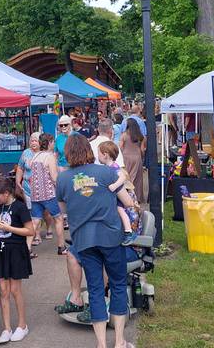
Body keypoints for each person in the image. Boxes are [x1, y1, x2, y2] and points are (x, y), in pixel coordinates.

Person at [56, 135, 134, 348]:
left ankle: (101, 344)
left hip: (83, 240)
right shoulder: (106, 173)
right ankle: (119, 341)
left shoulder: (63, 179)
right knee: (118, 285)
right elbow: (127, 201)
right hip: (110, 236)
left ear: (68, 154)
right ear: (89, 151)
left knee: (95, 289)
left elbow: (63, 210)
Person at [0, 177, 34, 344]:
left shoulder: (20, 207)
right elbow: (3, 231)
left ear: (6, 193)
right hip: (2, 251)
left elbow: (30, 231)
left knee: (15, 290)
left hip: (16, 252)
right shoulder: (2, 206)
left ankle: (22, 325)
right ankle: (7, 328)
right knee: (3, 291)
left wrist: (9, 228)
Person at [29, 133, 66, 255]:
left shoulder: (34, 156)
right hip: (49, 194)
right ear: (49, 142)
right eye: (53, 142)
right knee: (58, 218)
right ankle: (61, 246)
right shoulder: (50, 157)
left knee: (35, 221)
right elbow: (54, 178)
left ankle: (27, 249)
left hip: (35, 195)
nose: (54, 144)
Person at [96, 141, 140, 244]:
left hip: (122, 195)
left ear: (105, 155)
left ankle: (128, 231)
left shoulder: (114, 167)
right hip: (119, 194)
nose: (97, 156)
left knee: (120, 210)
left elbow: (122, 176)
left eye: (98, 153)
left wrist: (114, 186)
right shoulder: (108, 168)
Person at [120, 118, 146, 203]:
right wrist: (142, 157)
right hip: (137, 157)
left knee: (127, 177)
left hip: (126, 157)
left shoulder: (124, 135)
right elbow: (142, 150)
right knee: (137, 179)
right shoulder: (140, 136)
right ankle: (138, 197)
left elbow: (120, 147)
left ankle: (128, 197)